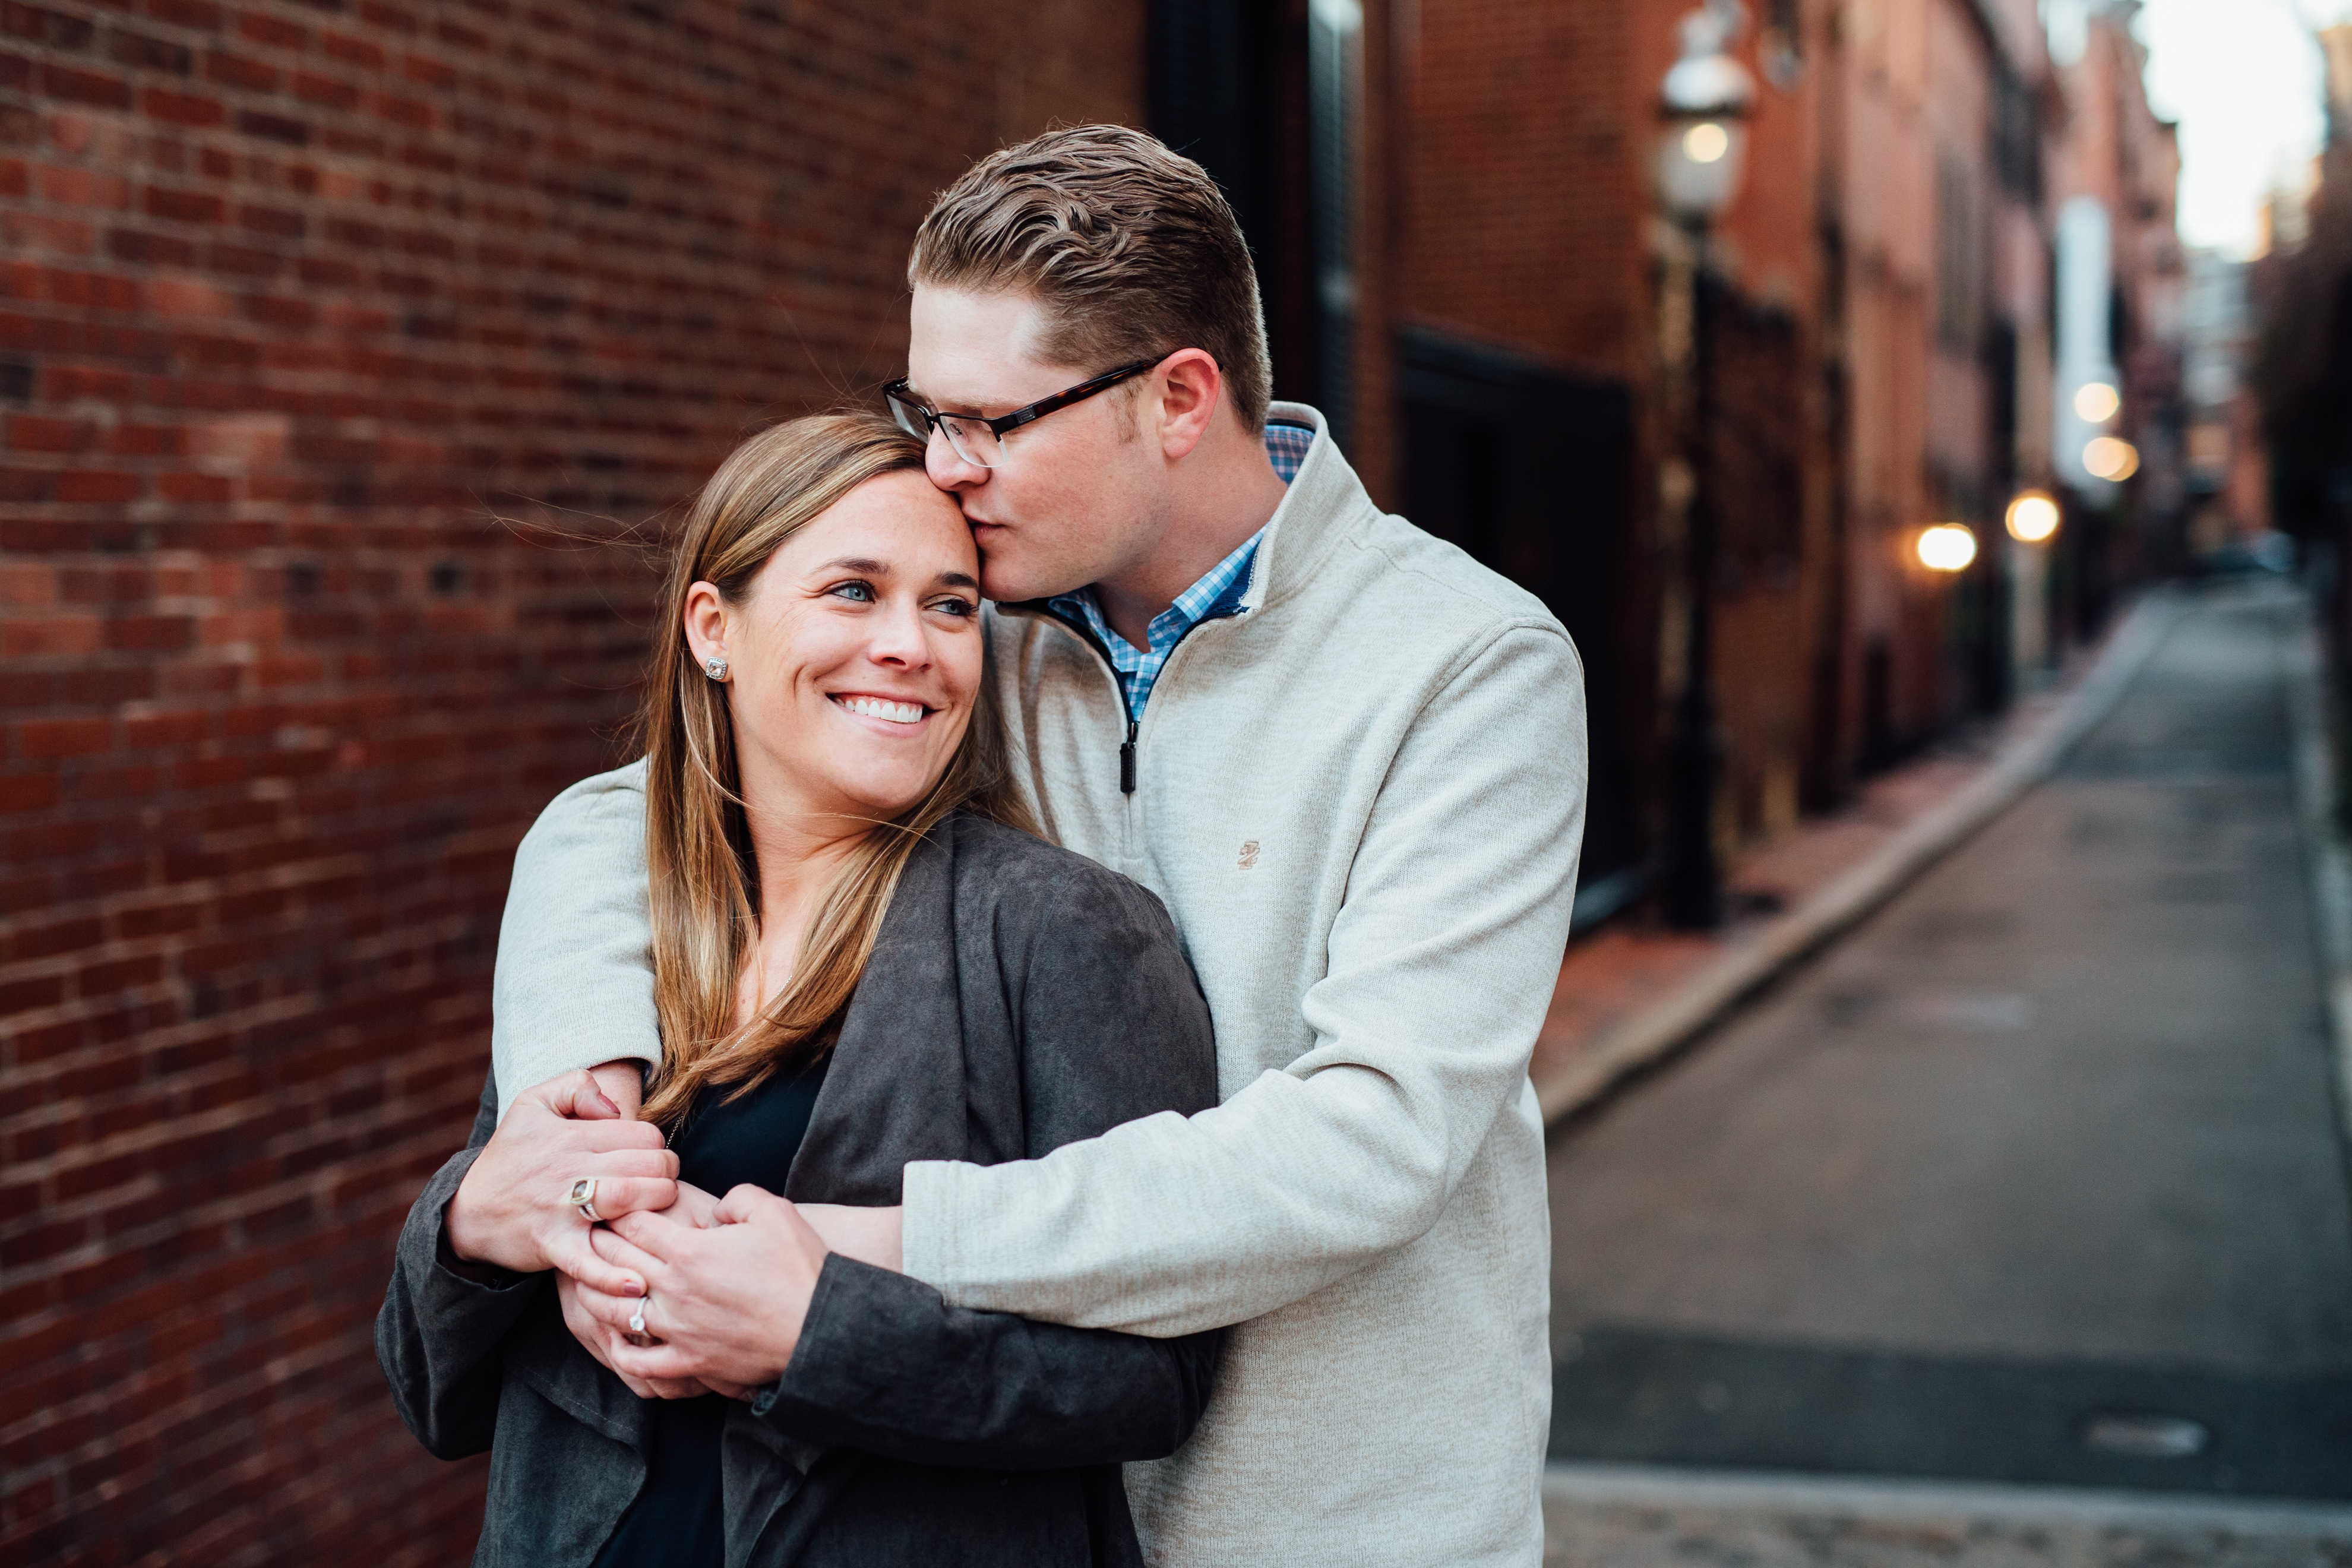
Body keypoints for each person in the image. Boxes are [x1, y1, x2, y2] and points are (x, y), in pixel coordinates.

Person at [523, 126, 1588, 1566]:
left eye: (992, 422)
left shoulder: (1468, 663)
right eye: (925, 415)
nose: (944, 471)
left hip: (1335, 1524)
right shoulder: (981, 632)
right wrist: (572, 1085)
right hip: (1027, 1506)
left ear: (1178, 399)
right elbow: (635, 806)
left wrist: (856, 1246)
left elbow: (1373, 1141)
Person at [375, 412, 1224, 1566]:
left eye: (949, 604)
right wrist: (474, 1226)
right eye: (852, 591)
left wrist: (811, 1337)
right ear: (714, 629)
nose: (909, 644)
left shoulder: (1067, 931)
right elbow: (436, 1398)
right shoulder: (608, 934)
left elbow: (1156, 1382)